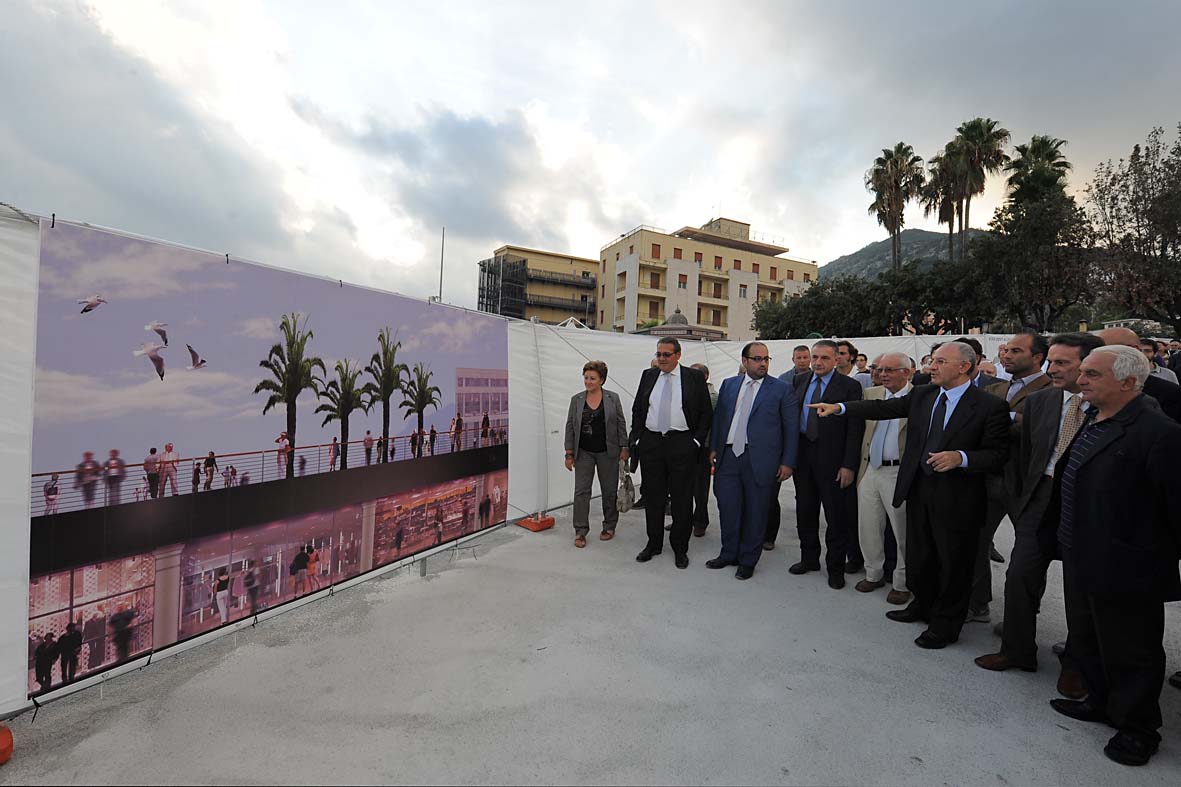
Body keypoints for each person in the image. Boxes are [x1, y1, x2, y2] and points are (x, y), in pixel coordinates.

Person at [810, 341, 1010, 648]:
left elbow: (998, 455)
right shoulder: (924, 395)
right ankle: (921, 606)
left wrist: (961, 457)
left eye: (941, 361)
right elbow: (882, 408)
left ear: (964, 367)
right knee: (921, 555)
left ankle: (944, 626)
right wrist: (841, 408)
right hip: (918, 488)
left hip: (958, 498)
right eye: (933, 361)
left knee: (953, 562)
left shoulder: (989, 405)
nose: (932, 366)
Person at [1040, 345, 1181, 767]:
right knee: (1088, 638)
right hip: (1080, 553)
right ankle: (1099, 702)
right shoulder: (1091, 417)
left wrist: (1145, 560)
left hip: (1126, 566)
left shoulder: (1159, 433)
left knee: (1132, 651)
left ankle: (1139, 730)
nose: (1080, 381)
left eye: (1092, 375)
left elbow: (1175, 510)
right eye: (1082, 373)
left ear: (1128, 382)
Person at [974, 332, 1102, 697]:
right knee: (1020, 575)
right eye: (1052, 361)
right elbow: (1030, 453)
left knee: (1079, 589)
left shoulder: (1109, 405)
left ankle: (1077, 664)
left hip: (1084, 505)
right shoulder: (1045, 401)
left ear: (1089, 365)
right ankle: (1016, 650)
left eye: (1063, 363)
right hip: (1039, 498)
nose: (1053, 369)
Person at [969, 330, 1052, 622]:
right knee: (976, 543)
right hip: (989, 478)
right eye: (1005, 350)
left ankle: (1022, 615)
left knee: (1028, 555)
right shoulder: (996, 388)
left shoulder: (1052, 391)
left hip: (1026, 484)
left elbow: (1037, 429)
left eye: (1016, 351)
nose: (1006, 355)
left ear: (1038, 357)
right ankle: (977, 605)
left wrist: (1005, 420)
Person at [707, 343, 798, 579]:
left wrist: (788, 462)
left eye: (766, 359)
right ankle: (729, 553)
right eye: (757, 359)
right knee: (728, 507)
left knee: (756, 512)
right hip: (728, 457)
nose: (763, 364)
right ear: (745, 361)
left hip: (761, 460)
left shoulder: (781, 389)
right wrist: (714, 447)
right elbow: (720, 418)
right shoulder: (729, 385)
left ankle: (748, 560)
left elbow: (791, 428)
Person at [629, 338, 713, 569]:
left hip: (682, 443)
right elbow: (638, 408)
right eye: (659, 354)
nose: (662, 359)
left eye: (666, 354)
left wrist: (695, 441)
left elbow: (706, 413)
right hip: (652, 444)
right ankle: (653, 544)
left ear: (678, 355)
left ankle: (679, 548)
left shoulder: (693, 378)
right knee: (653, 498)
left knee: (681, 499)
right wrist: (638, 437)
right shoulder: (648, 376)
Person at [789, 340, 865, 588]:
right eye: (815, 357)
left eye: (824, 358)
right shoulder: (799, 381)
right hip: (803, 455)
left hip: (834, 460)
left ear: (836, 360)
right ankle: (809, 558)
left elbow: (855, 428)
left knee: (836, 516)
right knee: (805, 511)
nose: (818, 362)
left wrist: (849, 465)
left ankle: (835, 568)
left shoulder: (849, 386)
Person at [853, 352, 913, 603]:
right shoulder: (871, 395)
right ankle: (873, 573)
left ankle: (902, 582)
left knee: (902, 532)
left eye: (889, 370)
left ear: (907, 373)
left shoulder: (919, 398)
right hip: (869, 469)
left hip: (898, 472)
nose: (882, 374)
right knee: (868, 526)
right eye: (879, 369)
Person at [564, 360, 629, 548]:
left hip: (608, 452)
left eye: (592, 378)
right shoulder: (576, 400)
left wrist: (624, 447)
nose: (588, 382)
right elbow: (570, 426)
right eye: (586, 378)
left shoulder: (613, 398)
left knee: (609, 491)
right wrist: (568, 453)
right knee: (581, 492)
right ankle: (580, 531)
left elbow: (620, 423)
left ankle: (609, 526)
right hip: (583, 453)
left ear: (602, 380)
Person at [1098, 328, 1181, 422]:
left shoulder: (1168, 393)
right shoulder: (1094, 388)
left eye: (1104, 350)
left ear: (1133, 349)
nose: (1095, 356)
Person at [689, 363, 718, 537]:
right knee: (684, 487)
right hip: (687, 447)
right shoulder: (687, 392)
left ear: (705, 377)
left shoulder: (713, 397)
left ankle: (700, 521)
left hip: (704, 447)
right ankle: (684, 519)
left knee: (700, 488)